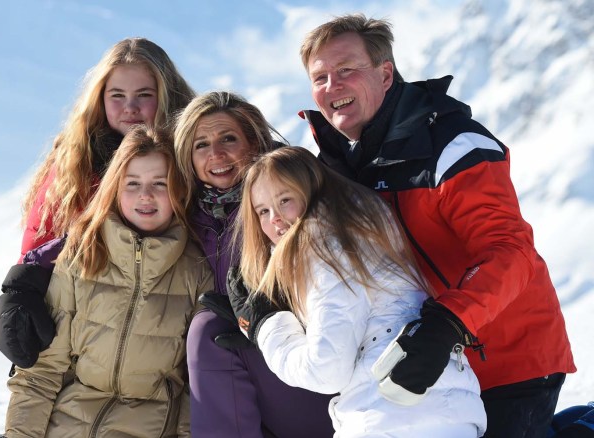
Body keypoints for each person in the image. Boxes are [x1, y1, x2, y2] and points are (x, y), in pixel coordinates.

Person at [297, 14, 575, 437]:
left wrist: (448, 325)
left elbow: (510, 251)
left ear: (385, 74)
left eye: (346, 70)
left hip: (510, 357)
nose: (332, 86)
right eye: (320, 78)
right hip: (424, 364)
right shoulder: (335, 168)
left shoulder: (454, 145)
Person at [223, 146, 486, 437]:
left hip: (392, 418)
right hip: (440, 410)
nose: (274, 218)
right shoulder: (359, 228)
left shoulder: (322, 247)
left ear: (310, 191)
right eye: (263, 211)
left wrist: (266, 326)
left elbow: (326, 370)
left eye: (285, 200)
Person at [0, 37, 196, 368]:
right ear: (100, 99)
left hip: (165, 323)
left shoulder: (188, 154)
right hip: (84, 322)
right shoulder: (76, 159)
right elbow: (45, 234)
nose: (130, 107)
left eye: (143, 95)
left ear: (165, 95)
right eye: (117, 95)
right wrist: (23, 288)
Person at [2, 125, 213, 438]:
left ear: (179, 190)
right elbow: (42, 371)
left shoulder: (196, 271)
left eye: (160, 183)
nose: (146, 195)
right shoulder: (83, 255)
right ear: (114, 187)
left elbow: (194, 391)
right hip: (66, 425)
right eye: (133, 183)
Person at [173, 91, 335, 437]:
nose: (216, 154)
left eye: (228, 138)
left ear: (255, 141)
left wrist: (264, 316)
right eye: (201, 144)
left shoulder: (289, 197)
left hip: (310, 367)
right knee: (210, 328)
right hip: (240, 391)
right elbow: (108, 230)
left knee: (209, 329)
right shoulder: (186, 215)